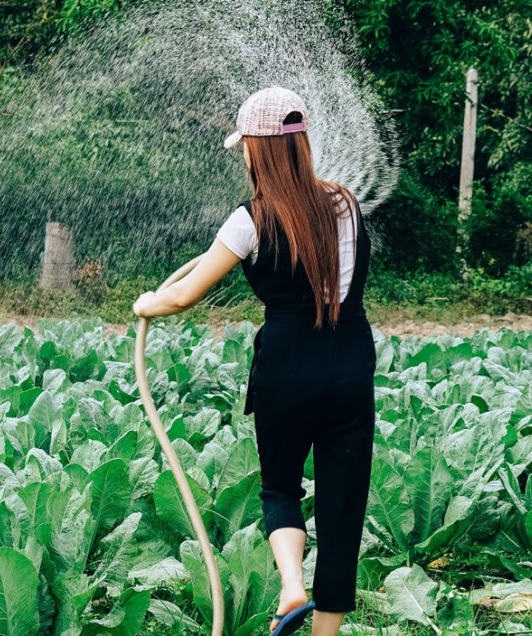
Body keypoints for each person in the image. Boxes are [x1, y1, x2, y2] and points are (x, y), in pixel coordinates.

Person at [133, 85, 376, 636]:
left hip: (287, 364)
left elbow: (182, 294)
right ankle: (324, 633)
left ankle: (292, 587)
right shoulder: (346, 203)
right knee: (343, 503)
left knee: (280, 487)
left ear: (257, 150)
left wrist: (146, 303)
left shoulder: (249, 220)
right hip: (349, 361)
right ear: (302, 144)